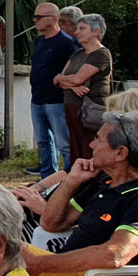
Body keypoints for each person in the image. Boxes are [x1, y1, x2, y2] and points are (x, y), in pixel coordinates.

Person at [12, 112, 138, 276]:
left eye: (99, 140)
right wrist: (71, 181)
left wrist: (40, 263)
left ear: (120, 153)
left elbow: (115, 255)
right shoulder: (103, 181)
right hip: (67, 273)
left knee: (0, 261)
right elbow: (50, 223)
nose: (92, 145)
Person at [27, 2, 77, 179]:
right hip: (37, 98)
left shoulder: (66, 43)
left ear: (54, 18)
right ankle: (48, 177)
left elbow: (74, 69)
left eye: (39, 17)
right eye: (35, 17)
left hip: (56, 100)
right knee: (43, 141)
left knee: (64, 142)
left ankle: (71, 177)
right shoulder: (40, 41)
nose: (35, 20)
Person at [54, 13, 111, 164]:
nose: (77, 32)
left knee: (89, 149)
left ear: (96, 31)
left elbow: (78, 79)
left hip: (90, 111)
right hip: (72, 107)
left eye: (82, 28)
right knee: (76, 149)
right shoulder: (78, 53)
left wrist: (65, 81)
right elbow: (57, 80)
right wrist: (73, 87)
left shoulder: (101, 54)